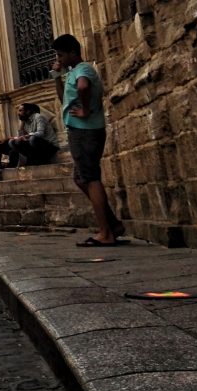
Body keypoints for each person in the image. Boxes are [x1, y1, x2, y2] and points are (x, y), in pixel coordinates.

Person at [52, 34, 126, 247]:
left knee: (90, 178)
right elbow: (64, 100)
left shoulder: (83, 69)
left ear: (73, 53)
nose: (59, 59)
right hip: (80, 130)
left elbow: (84, 87)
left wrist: (84, 109)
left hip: (85, 131)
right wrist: (56, 76)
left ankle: (106, 233)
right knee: (80, 178)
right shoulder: (73, 72)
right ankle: (113, 224)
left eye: (61, 55)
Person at [0, 103, 59, 181]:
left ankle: (40, 160)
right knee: (7, 143)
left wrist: (26, 136)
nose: (18, 113)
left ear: (28, 111)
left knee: (32, 139)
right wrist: (12, 137)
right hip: (34, 145)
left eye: (20, 111)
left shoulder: (38, 117)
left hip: (49, 147)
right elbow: (20, 138)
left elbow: (40, 133)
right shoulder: (25, 122)